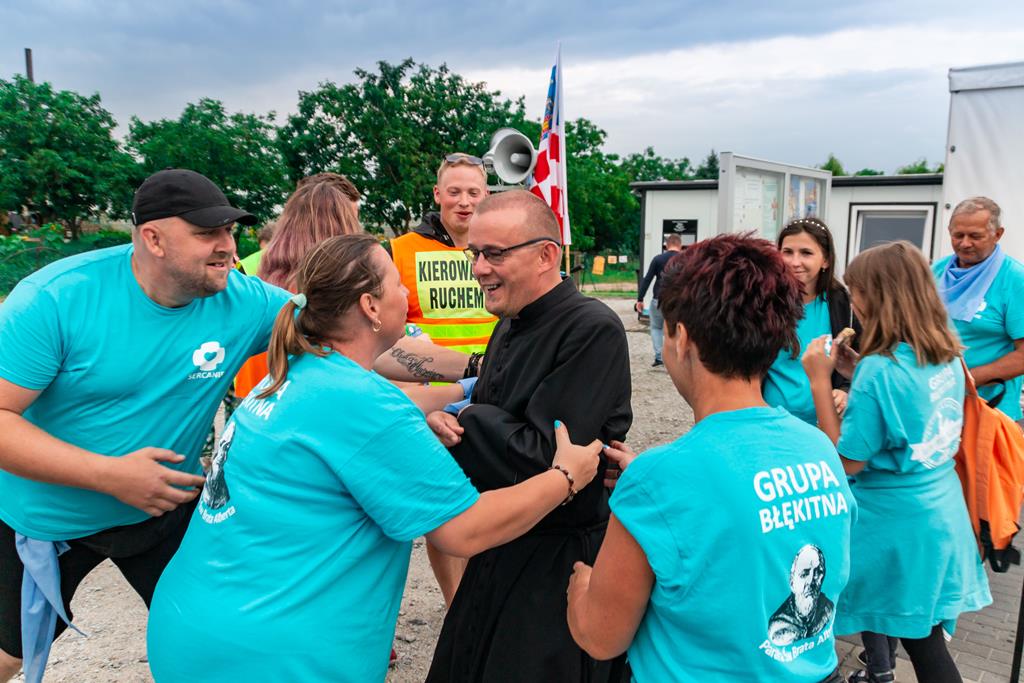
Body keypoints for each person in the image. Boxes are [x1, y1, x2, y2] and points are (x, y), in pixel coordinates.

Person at [146, 233, 602, 682]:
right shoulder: (364, 404)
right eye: (396, 284)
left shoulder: (298, 370)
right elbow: (464, 531)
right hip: (273, 654)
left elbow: (366, 425)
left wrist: (457, 398)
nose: (405, 293)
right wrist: (565, 476)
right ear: (370, 306)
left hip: (194, 622)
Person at [0, 169, 289, 683]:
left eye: (229, 230)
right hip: (45, 520)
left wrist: (450, 371)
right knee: (8, 656)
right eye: (207, 233)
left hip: (163, 512)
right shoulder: (56, 299)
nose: (227, 246)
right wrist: (109, 475)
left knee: (221, 644)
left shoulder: (243, 301)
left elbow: (340, 335)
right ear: (153, 238)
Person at [567, 234, 854, 683]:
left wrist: (580, 585)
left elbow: (601, 637)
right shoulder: (818, 447)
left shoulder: (659, 479)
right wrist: (657, 486)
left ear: (681, 337)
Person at [425, 190, 633, 683]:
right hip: (500, 548)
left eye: (495, 253)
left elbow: (546, 458)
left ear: (546, 255)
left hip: (554, 566)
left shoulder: (592, 328)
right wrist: (451, 423)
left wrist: (468, 417)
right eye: (474, 253)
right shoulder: (508, 322)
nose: (479, 268)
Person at [803, 241, 992, 683]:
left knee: (922, 646)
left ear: (878, 298)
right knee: (923, 636)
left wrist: (819, 382)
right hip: (940, 510)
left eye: (856, 291)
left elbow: (845, 462)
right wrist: (856, 372)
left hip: (896, 525)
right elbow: (910, 408)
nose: (853, 302)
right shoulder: (945, 353)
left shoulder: (880, 370)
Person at [389, 153, 498, 606]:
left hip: (498, 390)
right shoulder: (401, 251)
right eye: (454, 191)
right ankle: (457, 607)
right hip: (434, 401)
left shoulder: (501, 246)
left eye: (473, 192)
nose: (464, 201)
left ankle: (490, 600)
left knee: (496, 501)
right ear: (437, 194)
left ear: (486, 195)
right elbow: (385, 332)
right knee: (445, 506)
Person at [232, 173, 364, 400]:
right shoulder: (339, 275)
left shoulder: (247, 267)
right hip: (305, 397)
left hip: (253, 399)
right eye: (349, 219)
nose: (356, 229)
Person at [933, 196, 1024, 421]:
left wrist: (967, 379)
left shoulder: (1014, 279)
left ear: (998, 234)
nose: (965, 243)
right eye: (958, 235)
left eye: (975, 236)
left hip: (991, 411)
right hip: (938, 406)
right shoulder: (935, 272)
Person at [765, 217, 858, 423]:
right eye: (787, 252)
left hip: (823, 426)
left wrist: (845, 390)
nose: (794, 262)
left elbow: (861, 359)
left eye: (806, 253)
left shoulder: (842, 302)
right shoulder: (764, 301)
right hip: (770, 422)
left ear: (825, 260)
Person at [635, 234, 683, 367]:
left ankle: (659, 357)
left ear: (666, 245)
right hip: (678, 302)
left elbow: (647, 279)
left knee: (656, 327)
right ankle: (676, 356)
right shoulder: (686, 260)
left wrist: (640, 299)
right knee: (678, 328)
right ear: (680, 245)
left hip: (659, 299)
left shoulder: (658, 259)